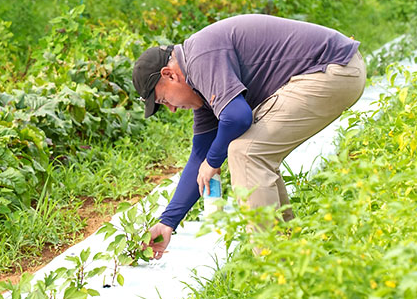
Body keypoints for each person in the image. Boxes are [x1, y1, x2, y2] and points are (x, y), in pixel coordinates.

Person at [132, 14, 366, 259]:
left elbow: (238, 117)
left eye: (163, 99)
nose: (170, 108)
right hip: (336, 69)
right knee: (253, 152)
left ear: (169, 74)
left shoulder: (200, 58)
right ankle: (290, 254)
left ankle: (274, 264)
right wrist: (168, 222)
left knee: (246, 152)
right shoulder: (201, 84)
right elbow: (199, 156)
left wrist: (213, 162)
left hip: (334, 70)